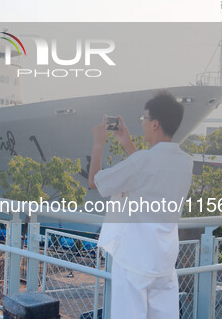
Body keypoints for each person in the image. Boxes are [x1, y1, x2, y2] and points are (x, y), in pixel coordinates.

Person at [88, 91, 193, 319]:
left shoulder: (142, 161)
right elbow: (148, 172)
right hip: (163, 263)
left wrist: (99, 143)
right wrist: (126, 143)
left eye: (143, 120)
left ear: (155, 124)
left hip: (133, 262)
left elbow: (94, 181)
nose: (143, 124)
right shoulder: (185, 163)